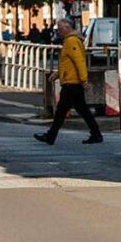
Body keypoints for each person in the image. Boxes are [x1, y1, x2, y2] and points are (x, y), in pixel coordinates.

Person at [34, 19, 102, 148]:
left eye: (60, 29)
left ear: (67, 27)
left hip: (72, 83)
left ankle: (50, 136)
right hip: (72, 81)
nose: (58, 32)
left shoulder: (71, 41)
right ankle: (96, 134)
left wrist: (84, 80)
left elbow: (79, 62)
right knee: (83, 110)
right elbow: (67, 63)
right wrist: (58, 73)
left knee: (61, 111)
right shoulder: (70, 41)